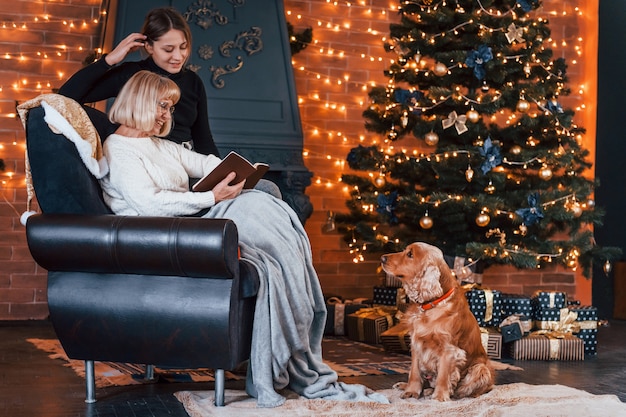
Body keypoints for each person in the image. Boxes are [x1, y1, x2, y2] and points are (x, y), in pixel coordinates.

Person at [100, 70, 388, 407]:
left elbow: (203, 162)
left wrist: (235, 171)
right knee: (259, 203)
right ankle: (296, 331)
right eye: (161, 106)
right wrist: (213, 199)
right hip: (166, 235)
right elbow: (149, 203)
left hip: (191, 220)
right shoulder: (118, 149)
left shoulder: (159, 146)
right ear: (139, 102)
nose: (166, 115)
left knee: (263, 192)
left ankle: (296, 301)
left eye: (170, 108)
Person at [62, 6, 280, 198]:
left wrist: (222, 173)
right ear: (148, 46)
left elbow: (203, 138)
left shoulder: (193, 82)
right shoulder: (133, 76)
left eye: (183, 47)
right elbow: (65, 96)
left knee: (267, 189)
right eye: (168, 49)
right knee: (264, 192)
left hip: (187, 163)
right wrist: (110, 59)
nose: (178, 56)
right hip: (155, 170)